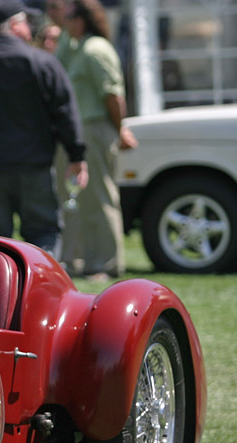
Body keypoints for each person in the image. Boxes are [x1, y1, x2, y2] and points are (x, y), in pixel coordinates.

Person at [0, 0, 87, 258]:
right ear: (14, 24)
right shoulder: (42, 62)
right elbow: (64, 111)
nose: (31, 29)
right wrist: (76, 156)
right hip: (33, 168)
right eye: (27, 22)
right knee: (44, 233)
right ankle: (43, 294)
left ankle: (3, 296)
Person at [57, 0, 137, 280]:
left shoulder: (95, 50)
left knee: (99, 197)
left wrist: (120, 128)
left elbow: (113, 96)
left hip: (94, 128)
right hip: (79, 132)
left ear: (80, 20)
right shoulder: (77, 47)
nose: (63, 21)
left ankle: (106, 262)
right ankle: (79, 260)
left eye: (68, 17)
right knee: (77, 199)